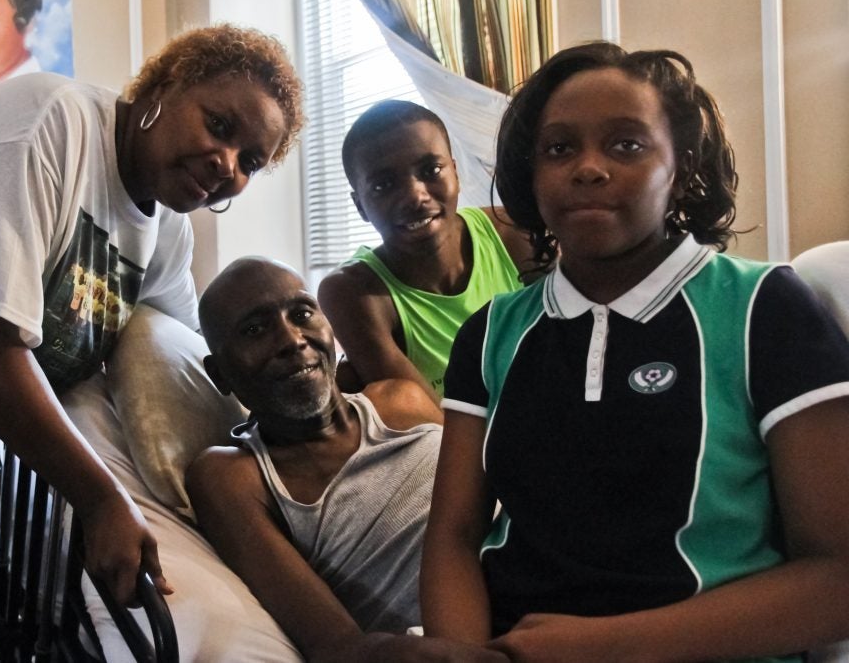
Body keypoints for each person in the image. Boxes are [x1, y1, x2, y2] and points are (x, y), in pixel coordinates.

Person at [0, 24, 303, 662]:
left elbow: (193, 351)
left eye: (250, 161)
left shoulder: (164, 233)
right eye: (219, 126)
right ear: (165, 85)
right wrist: (101, 498)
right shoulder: (47, 121)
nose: (227, 165)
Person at [420, 41, 849, 661]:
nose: (588, 168)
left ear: (680, 168)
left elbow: (837, 578)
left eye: (626, 144)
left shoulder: (765, 308)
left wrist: (593, 648)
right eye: (559, 148)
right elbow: (454, 537)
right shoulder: (490, 334)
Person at [186, 257, 508, 663]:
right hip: (464, 640)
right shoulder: (234, 477)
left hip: (554, 570)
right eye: (254, 330)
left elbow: (504, 483)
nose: (292, 340)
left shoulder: (399, 399)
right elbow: (337, 646)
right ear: (220, 375)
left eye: (302, 313)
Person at [318, 100, 533, 405]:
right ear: (360, 207)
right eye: (384, 185)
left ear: (455, 173)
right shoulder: (353, 291)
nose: (415, 196)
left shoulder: (514, 233)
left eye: (431, 170)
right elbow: (431, 424)